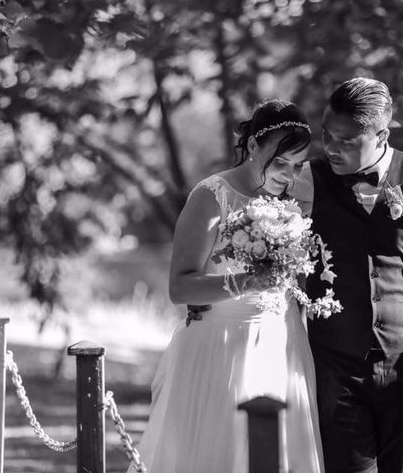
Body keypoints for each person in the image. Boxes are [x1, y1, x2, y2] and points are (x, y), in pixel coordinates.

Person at [128, 99, 324, 473]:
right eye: (280, 163)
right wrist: (247, 281)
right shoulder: (211, 196)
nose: (288, 176)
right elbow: (180, 287)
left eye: (297, 167)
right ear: (252, 147)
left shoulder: (291, 201)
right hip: (222, 347)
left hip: (283, 343)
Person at [291, 77, 403, 473]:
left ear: (381, 134)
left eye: (347, 140)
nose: (332, 148)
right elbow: (286, 269)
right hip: (333, 364)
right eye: (327, 136)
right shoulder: (306, 180)